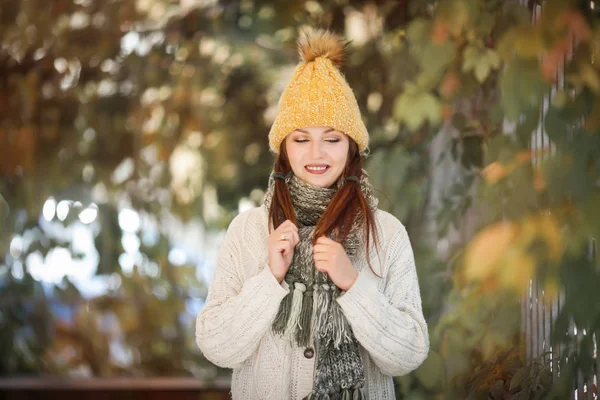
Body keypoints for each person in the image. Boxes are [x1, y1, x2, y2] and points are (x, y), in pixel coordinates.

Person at [196, 28, 429, 400]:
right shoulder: (248, 231)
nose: (316, 154)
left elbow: (409, 354)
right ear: (284, 148)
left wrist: (353, 284)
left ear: (352, 146)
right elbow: (216, 346)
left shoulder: (385, 233)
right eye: (301, 139)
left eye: (332, 139)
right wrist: (270, 278)